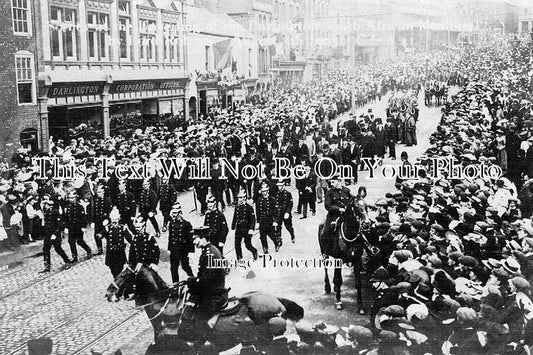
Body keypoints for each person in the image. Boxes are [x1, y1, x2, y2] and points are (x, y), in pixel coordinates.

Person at [184, 226, 228, 329]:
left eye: (195, 238)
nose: (193, 242)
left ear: (203, 238)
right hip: (209, 290)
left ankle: (206, 339)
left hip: (214, 294)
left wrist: (190, 281)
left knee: (199, 318)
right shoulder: (207, 251)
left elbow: (206, 280)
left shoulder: (211, 254)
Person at [40, 194, 71, 273]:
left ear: (50, 205)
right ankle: (47, 266)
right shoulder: (47, 212)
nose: (45, 206)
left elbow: (59, 225)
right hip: (48, 234)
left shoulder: (55, 212)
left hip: (55, 234)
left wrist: (55, 234)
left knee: (58, 249)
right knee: (45, 250)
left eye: (46, 205)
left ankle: (67, 261)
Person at [322, 175, 352, 254]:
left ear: (339, 181)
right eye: (331, 182)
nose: (331, 184)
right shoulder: (329, 192)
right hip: (334, 216)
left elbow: (352, 200)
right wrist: (338, 209)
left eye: (333, 182)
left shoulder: (346, 190)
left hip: (346, 215)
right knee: (326, 233)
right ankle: (326, 252)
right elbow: (327, 205)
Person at [167, 202, 194, 284]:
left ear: (179, 213)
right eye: (173, 213)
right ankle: (175, 284)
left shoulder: (186, 224)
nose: (173, 215)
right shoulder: (171, 223)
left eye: (175, 213)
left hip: (183, 249)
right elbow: (170, 237)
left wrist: (191, 251)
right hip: (174, 249)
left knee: (185, 266)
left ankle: (192, 278)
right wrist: (169, 249)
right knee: (173, 268)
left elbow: (190, 238)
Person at [63, 190, 92, 263]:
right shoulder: (68, 207)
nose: (71, 200)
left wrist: (83, 227)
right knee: (71, 241)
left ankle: (88, 250)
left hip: (78, 227)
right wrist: (65, 227)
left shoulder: (79, 207)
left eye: (72, 198)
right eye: (69, 198)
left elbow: (83, 218)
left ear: (75, 198)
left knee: (80, 241)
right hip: (71, 227)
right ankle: (74, 256)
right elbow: (66, 218)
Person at [101, 207, 131, 278]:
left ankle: (118, 282)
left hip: (120, 252)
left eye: (116, 219)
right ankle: (116, 279)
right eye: (113, 219)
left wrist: (134, 243)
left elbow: (129, 238)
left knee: (119, 269)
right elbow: (102, 233)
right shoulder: (107, 228)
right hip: (111, 252)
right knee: (112, 269)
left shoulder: (122, 228)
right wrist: (99, 235)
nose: (114, 221)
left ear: (119, 219)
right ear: (110, 219)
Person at [231, 190, 257, 260]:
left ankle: (254, 251)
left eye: (241, 198)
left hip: (247, 228)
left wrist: (251, 229)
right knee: (237, 244)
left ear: (244, 198)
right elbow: (235, 217)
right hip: (239, 228)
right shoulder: (237, 207)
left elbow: (253, 219)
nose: (239, 199)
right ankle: (239, 257)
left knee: (248, 245)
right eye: (238, 198)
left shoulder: (249, 207)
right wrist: (233, 227)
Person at [256, 182, 279, 254]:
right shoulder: (259, 200)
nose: (264, 193)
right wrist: (258, 222)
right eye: (262, 191)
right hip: (262, 220)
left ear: (268, 191)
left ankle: (276, 243)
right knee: (262, 236)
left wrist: (276, 221)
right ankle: (265, 248)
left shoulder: (272, 200)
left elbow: (276, 211)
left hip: (269, 219)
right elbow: (258, 211)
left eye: (265, 191)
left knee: (271, 234)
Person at [90, 184, 112, 256]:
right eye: (97, 192)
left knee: (107, 235)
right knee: (96, 235)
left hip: (105, 220)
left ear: (103, 192)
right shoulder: (96, 200)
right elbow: (94, 212)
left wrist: (108, 220)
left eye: (99, 192)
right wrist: (93, 221)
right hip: (98, 221)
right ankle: (99, 249)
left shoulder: (107, 200)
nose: (98, 193)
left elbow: (110, 212)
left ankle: (110, 247)